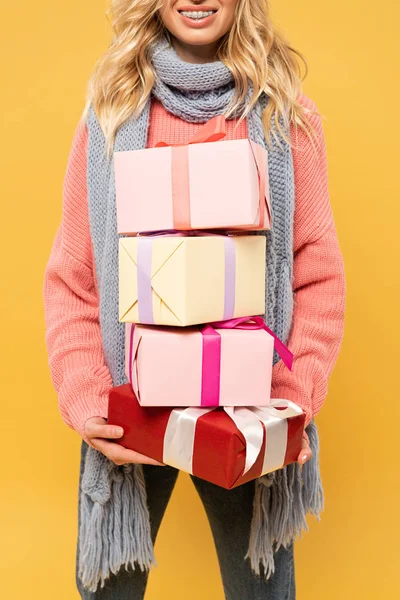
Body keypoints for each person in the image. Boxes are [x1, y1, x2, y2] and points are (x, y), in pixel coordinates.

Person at [43, 1, 346, 598]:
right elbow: (74, 277)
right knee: (109, 589)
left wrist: (292, 396)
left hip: (248, 404)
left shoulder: (285, 120)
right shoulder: (111, 118)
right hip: (132, 400)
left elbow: (318, 273)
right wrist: (85, 395)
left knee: (262, 589)